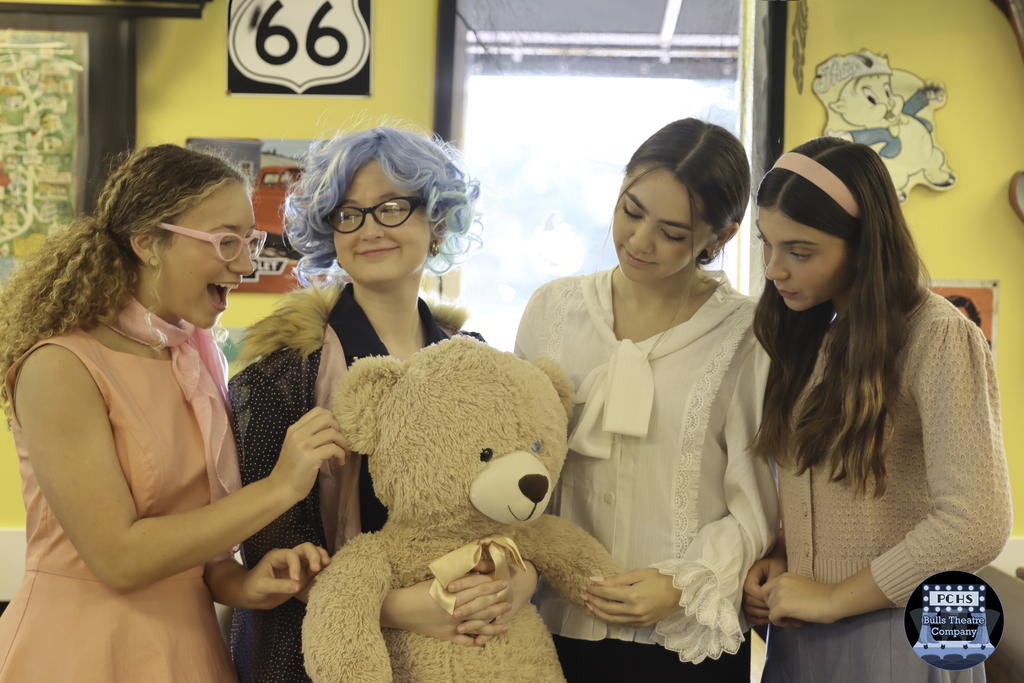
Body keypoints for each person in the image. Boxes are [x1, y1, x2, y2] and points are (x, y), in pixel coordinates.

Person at [0, 144, 348, 682]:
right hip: (83, 653)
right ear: (148, 244)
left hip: (191, 649)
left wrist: (241, 583)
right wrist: (280, 487)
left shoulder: (191, 356)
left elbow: (197, 551)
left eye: (249, 241)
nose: (246, 264)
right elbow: (119, 558)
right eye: (226, 241)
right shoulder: (58, 365)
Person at [228, 125, 538, 683]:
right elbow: (270, 556)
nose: (369, 229)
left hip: (461, 655)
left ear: (437, 222)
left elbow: (503, 510)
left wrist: (514, 580)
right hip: (315, 657)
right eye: (348, 214)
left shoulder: (475, 361)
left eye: (391, 208)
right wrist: (403, 606)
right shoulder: (281, 375)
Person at [514, 118, 780, 682]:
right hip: (554, 628)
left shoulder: (749, 334)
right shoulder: (552, 311)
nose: (639, 240)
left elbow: (758, 502)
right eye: (630, 211)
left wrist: (684, 583)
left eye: (672, 231)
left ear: (720, 238)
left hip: (683, 642)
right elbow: (517, 459)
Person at [742, 137, 1012, 682]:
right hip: (810, 626)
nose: (774, 269)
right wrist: (786, 556)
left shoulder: (939, 335)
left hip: (915, 623)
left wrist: (835, 595)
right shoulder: (814, 334)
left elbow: (979, 523)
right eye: (767, 244)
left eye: (800, 251)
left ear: (865, 245)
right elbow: (841, 495)